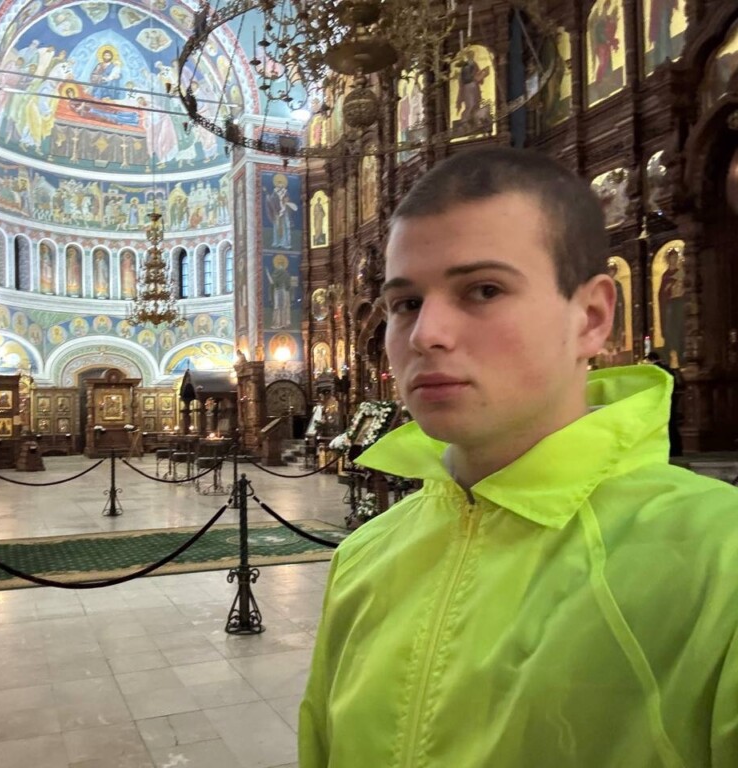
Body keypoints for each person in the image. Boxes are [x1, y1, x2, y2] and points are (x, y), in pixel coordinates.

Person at [299, 147, 738, 767]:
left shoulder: (719, 560)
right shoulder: (363, 557)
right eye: (406, 303)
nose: (425, 334)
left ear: (591, 318)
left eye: (483, 290)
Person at [646, 351, 684, 457]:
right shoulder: (668, 369)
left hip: (661, 400)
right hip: (672, 398)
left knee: (663, 425)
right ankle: (677, 449)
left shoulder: (655, 370)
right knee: (672, 423)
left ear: (650, 360)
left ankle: (668, 450)